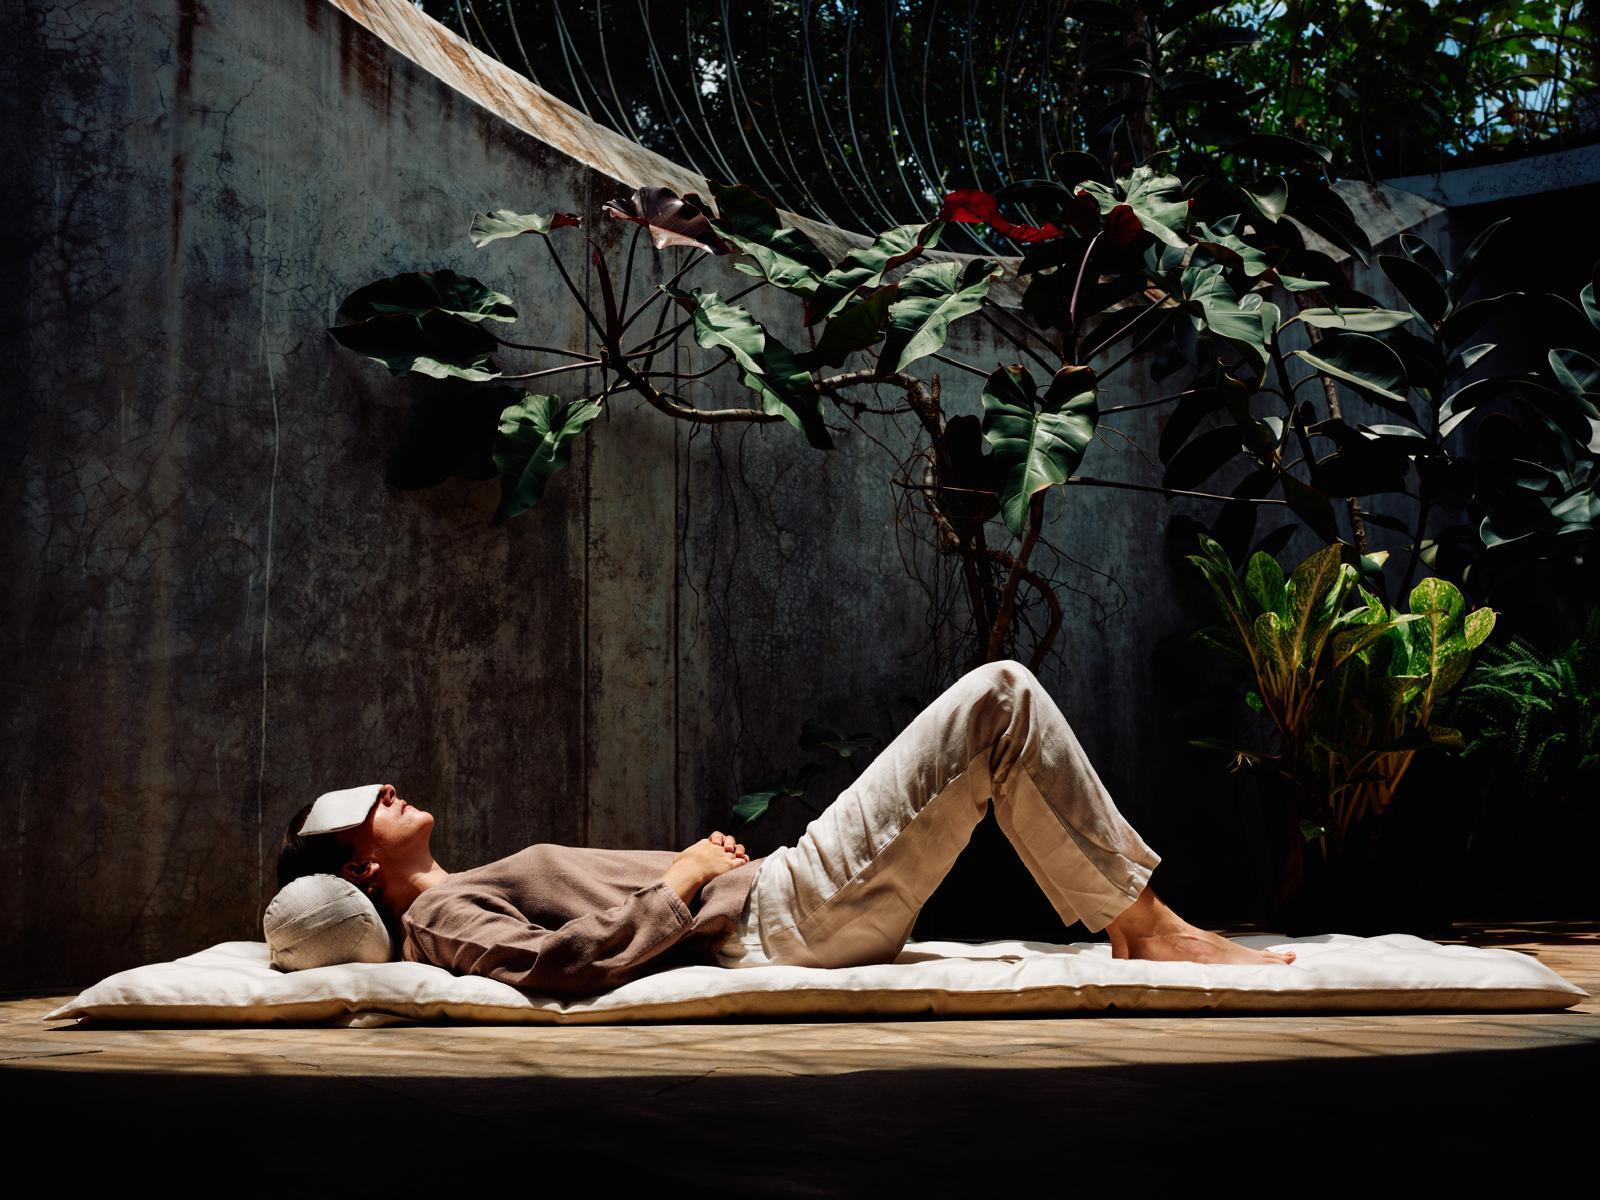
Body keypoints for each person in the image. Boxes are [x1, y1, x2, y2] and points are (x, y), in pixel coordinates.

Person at [274, 659, 1295, 997]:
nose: (388, 788)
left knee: (996, 710)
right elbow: (556, 968)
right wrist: (678, 880)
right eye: (368, 805)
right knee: (998, 697)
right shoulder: (441, 919)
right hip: (782, 920)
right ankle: (1143, 923)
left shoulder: (460, 887)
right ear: (359, 861)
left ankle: (1133, 919)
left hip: (785, 902)